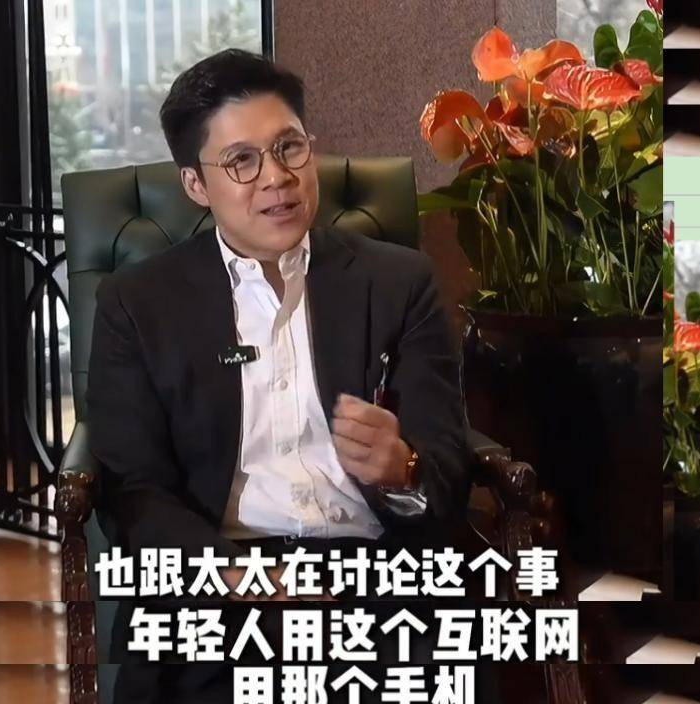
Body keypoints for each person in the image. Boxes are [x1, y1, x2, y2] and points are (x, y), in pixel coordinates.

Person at [87, 48, 474, 704]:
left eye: (289, 148)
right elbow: (134, 489)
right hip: (220, 584)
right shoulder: (137, 303)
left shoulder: (397, 282)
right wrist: (237, 576)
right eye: (242, 161)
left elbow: (446, 465)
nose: (277, 178)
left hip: (375, 581)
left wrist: (401, 469)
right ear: (196, 185)